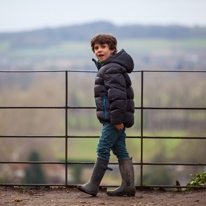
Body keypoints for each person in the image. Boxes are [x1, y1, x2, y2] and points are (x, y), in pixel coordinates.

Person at [77, 33, 135, 196]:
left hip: (114, 119)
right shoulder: (109, 67)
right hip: (115, 117)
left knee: (103, 147)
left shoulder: (111, 68)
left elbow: (117, 96)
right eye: (96, 48)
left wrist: (115, 119)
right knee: (120, 148)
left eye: (103, 47)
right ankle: (128, 186)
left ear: (113, 49)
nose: (99, 50)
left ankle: (93, 185)